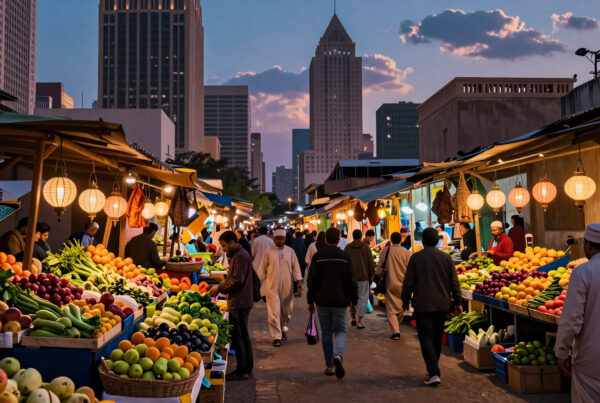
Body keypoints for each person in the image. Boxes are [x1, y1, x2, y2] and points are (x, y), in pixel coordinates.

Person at [401, 227, 462, 386]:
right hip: (442, 305)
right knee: (436, 337)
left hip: (423, 305)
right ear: (437, 240)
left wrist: (405, 301)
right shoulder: (446, 258)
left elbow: (408, 283)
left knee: (426, 337)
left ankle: (433, 372)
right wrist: (458, 302)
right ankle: (433, 370)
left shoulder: (416, 258)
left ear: (423, 241)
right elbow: (454, 283)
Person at [555, 223, 600, 401]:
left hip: (591, 356)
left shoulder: (583, 272)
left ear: (588, 245)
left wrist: (561, 352)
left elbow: (572, 318)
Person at [307, 227, 358, 379]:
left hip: (322, 301)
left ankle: (329, 366)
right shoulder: (345, 257)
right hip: (341, 301)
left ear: (325, 240)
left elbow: (312, 282)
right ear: (339, 238)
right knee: (340, 331)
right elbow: (352, 281)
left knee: (327, 333)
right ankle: (338, 356)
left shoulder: (317, 257)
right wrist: (354, 302)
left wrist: (310, 301)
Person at [208, 231, 254, 381]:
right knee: (244, 336)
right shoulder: (241, 254)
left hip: (239, 301)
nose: (224, 249)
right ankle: (247, 368)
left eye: (224, 246)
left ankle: (243, 370)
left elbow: (236, 281)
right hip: (242, 300)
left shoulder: (240, 256)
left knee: (239, 336)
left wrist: (219, 288)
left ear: (232, 242)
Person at [258, 229, 303, 346]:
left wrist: (299, 286)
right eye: (277, 238)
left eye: (281, 238)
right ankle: (276, 337)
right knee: (274, 312)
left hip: (288, 287)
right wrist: (256, 285)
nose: (279, 240)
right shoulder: (268, 252)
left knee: (287, 312)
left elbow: (296, 269)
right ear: (274, 239)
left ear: (284, 239)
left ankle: (283, 329)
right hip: (272, 287)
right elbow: (261, 270)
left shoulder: (291, 252)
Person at [377, 232, 411, 340]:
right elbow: (410, 270)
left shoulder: (385, 251)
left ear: (391, 240)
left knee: (391, 309)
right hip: (403, 283)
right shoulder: (406, 253)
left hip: (390, 283)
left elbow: (379, 267)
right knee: (401, 307)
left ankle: (396, 332)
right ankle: (398, 325)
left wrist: (377, 274)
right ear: (401, 240)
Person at [344, 229, 375, 329]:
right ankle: (359, 321)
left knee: (353, 299)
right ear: (361, 236)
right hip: (363, 278)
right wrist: (371, 276)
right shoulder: (366, 248)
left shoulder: (348, 247)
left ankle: (353, 318)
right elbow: (371, 264)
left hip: (350, 279)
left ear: (352, 236)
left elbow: (345, 263)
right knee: (362, 299)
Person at [251, 226, 274, 296]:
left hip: (257, 262)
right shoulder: (270, 241)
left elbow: (252, 253)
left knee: (257, 279)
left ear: (259, 232)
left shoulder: (255, 240)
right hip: (267, 262)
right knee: (266, 279)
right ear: (267, 232)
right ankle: (264, 294)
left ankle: (259, 294)